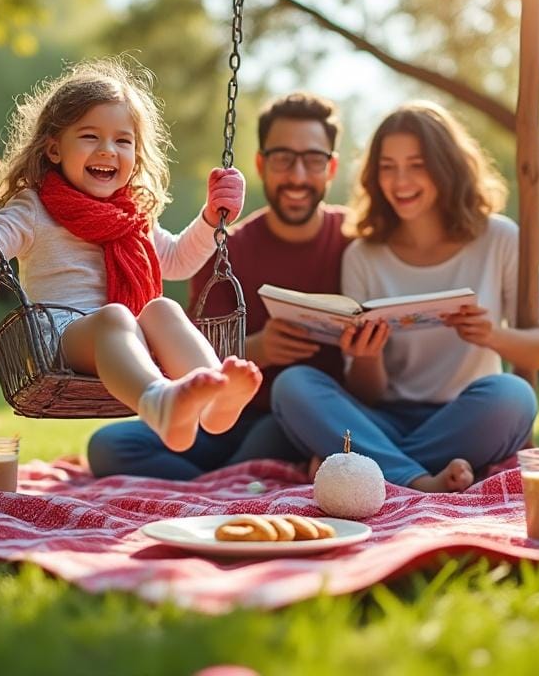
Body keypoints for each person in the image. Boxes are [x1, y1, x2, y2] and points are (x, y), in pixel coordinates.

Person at [0, 58, 262, 452]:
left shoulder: (133, 215)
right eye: (90, 136)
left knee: (162, 309)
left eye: (123, 141)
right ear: (54, 149)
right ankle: (159, 402)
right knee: (116, 317)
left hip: (131, 343)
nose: (108, 150)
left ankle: (214, 395)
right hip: (60, 343)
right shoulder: (35, 208)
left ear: (136, 154)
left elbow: (177, 261)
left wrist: (212, 217)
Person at [271, 101, 539, 492]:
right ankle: (420, 480)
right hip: (382, 420)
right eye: (387, 167)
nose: (400, 181)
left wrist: (491, 335)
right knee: (293, 386)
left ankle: (371, 467)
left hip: (465, 417)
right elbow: (366, 393)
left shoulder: (501, 238)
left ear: (446, 166)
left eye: (417, 164)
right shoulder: (363, 255)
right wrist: (367, 356)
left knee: (514, 396)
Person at [87, 92, 353, 478]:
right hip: (222, 418)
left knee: (268, 437)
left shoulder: (355, 240)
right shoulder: (227, 248)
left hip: (301, 418)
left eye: (312, 160)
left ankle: (227, 478)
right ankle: (232, 481)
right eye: (283, 158)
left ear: (331, 168)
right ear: (261, 164)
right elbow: (190, 354)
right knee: (109, 446)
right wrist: (258, 349)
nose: (297, 176)